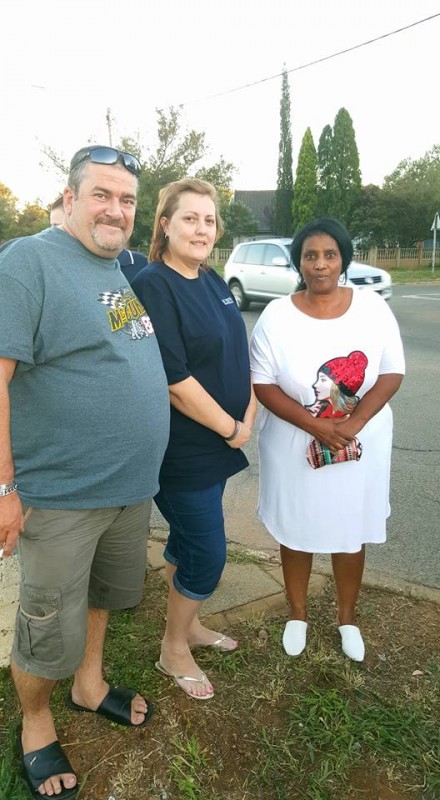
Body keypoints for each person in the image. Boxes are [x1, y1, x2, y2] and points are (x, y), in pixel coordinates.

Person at [0, 145, 170, 799]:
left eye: (127, 200)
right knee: (46, 624)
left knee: (102, 597)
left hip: (128, 491)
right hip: (62, 496)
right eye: (101, 194)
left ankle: (89, 684)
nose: (116, 210)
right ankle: (35, 722)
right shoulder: (29, 262)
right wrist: (5, 488)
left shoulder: (114, 269)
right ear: (69, 198)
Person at [249, 217, 405, 663]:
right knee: (296, 526)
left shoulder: (372, 308)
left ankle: (347, 618)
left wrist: (353, 425)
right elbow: (262, 382)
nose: (320, 264)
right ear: (298, 262)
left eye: (330, 255)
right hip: (293, 443)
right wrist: (316, 425)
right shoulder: (277, 315)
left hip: (360, 443)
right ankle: (297, 614)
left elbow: (392, 371)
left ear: (343, 259)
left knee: (349, 530)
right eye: (310, 256)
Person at [131, 178, 256, 700]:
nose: (202, 229)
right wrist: (233, 428)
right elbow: (174, 381)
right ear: (165, 225)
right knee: (207, 553)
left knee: (185, 541)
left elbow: (235, 352)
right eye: (190, 218)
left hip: (219, 444)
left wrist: (248, 409)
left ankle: (190, 625)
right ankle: (172, 648)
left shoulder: (210, 279)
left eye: (209, 220)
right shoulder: (153, 286)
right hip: (182, 450)